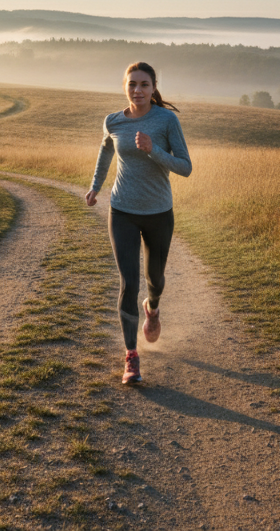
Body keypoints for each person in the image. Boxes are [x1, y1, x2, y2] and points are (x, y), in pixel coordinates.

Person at [86, 61, 192, 384]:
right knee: (129, 283)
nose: (138, 90)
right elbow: (106, 152)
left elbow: (185, 167)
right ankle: (131, 356)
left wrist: (153, 149)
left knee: (155, 280)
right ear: (125, 87)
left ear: (154, 87)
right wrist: (95, 186)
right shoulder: (113, 121)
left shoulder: (166, 120)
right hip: (122, 212)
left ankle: (153, 307)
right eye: (132, 84)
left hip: (159, 212)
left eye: (144, 84)